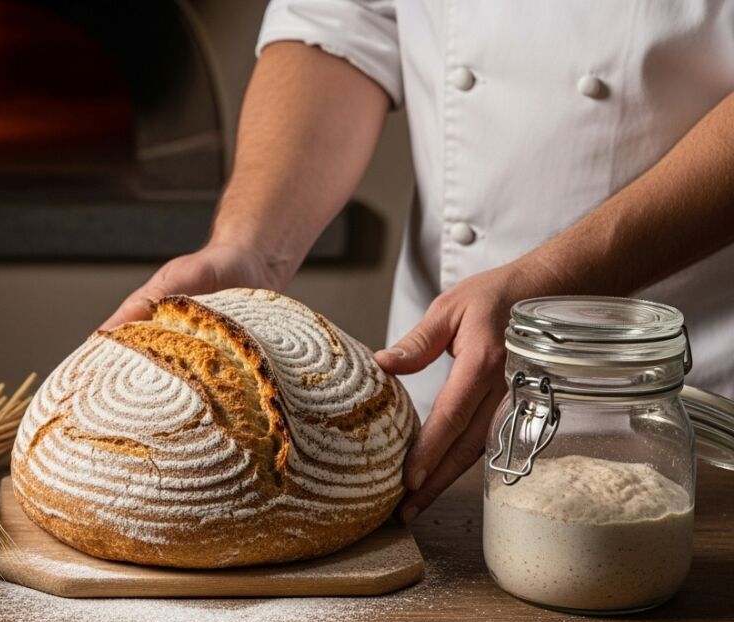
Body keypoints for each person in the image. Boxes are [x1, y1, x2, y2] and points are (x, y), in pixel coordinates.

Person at [101, 1, 734, 523]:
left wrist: (548, 283)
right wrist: (251, 247)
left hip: (685, 413)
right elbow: (338, 24)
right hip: (441, 394)